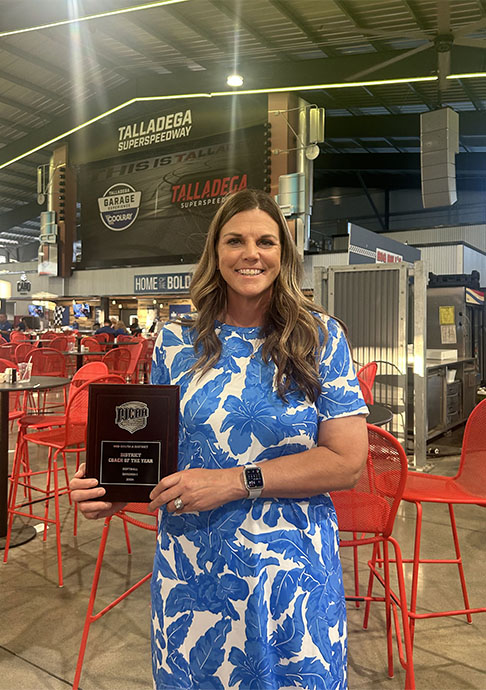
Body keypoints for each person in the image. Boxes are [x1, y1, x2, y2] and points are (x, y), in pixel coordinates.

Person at [71, 189, 368, 689]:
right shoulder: (173, 341)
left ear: (284, 254)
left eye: (265, 241)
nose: (251, 253)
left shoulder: (321, 337)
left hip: (291, 577)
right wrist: (114, 491)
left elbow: (346, 462)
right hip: (193, 572)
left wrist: (235, 481)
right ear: (216, 253)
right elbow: (161, 453)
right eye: (235, 240)